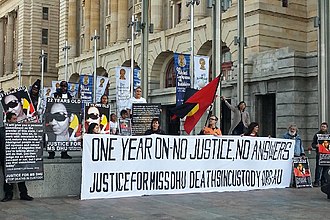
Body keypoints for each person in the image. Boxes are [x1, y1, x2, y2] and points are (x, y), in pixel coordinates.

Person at [0, 112, 34, 202]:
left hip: (18, 157)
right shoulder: (2, 131)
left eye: (16, 119)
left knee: (20, 175)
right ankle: (8, 195)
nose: (16, 121)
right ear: (8, 120)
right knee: (7, 177)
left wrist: (26, 127)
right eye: (14, 119)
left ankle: (24, 194)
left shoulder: (20, 129)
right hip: (6, 158)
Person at [311, 122, 329, 187]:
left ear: (326, 128)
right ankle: (316, 182)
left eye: (324, 127)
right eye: (322, 126)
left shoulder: (329, 135)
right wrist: (316, 145)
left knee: (326, 169)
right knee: (318, 169)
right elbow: (313, 144)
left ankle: (323, 181)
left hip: (327, 155)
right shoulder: (317, 135)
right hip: (319, 154)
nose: (323, 128)